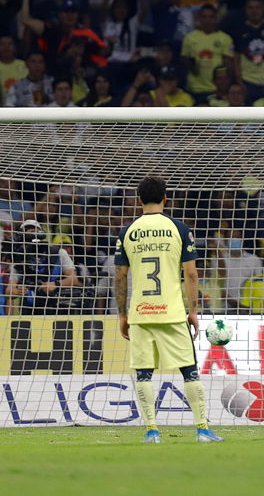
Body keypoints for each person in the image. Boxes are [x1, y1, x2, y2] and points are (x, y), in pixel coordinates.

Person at [114, 176, 225, 443]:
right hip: (172, 312)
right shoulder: (179, 228)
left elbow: (119, 276)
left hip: (141, 313)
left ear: (138, 200)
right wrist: (194, 311)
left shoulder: (127, 231)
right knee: (189, 370)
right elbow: (191, 274)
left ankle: (152, 431)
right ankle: (202, 430)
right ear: (166, 198)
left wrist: (122, 314)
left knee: (143, 373)